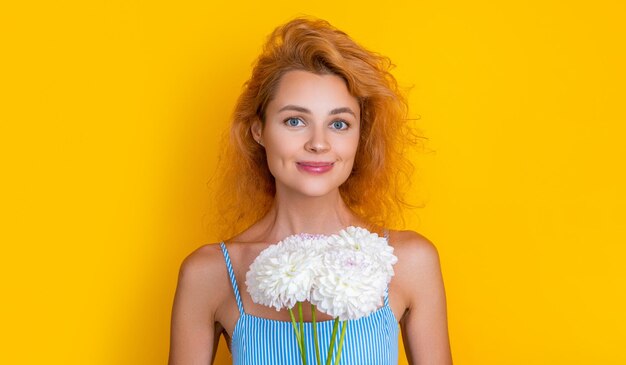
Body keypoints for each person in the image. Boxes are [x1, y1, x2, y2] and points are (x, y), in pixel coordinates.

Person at [169, 17, 452, 365]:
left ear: (359, 136)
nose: (318, 143)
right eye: (295, 121)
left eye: (338, 124)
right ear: (259, 130)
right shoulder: (210, 273)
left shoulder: (409, 262)